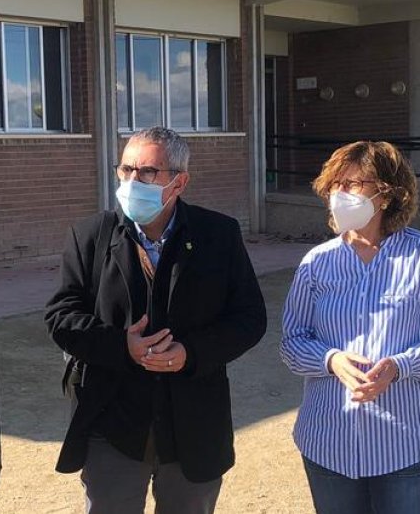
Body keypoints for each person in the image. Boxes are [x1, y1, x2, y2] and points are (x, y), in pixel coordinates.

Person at [45, 127, 267, 514]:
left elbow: (249, 318)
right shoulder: (91, 236)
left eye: (147, 172)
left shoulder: (218, 235)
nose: (133, 181)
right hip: (113, 424)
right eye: (126, 169)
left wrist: (190, 352)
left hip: (193, 426)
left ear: (179, 182)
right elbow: (61, 316)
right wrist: (121, 346)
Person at [280, 140, 420, 514]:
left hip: (404, 446)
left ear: (386, 194)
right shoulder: (316, 262)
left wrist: (400, 366)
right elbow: (292, 341)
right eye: (334, 185)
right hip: (329, 444)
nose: (340, 194)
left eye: (352, 184)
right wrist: (331, 360)